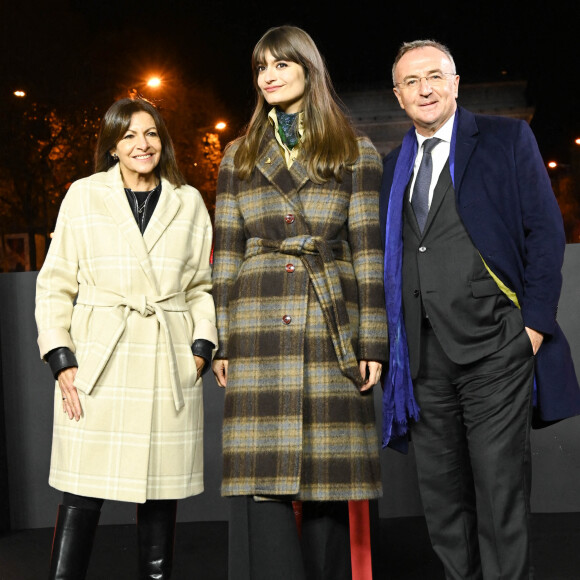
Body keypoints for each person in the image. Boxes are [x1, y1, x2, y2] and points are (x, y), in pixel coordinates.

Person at [379, 39, 580, 579]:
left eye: (434, 76)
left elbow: (544, 231)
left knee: (499, 493)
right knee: (442, 500)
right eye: (411, 82)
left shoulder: (505, 137)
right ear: (398, 96)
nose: (425, 89)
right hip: (420, 358)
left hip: (496, 348)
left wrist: (533, 327)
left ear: (455, 82)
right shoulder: (393, 164)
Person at [211, 25, 387, 580]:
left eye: (282, 65)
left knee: (329, 483)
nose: (269, 76)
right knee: (262, 481)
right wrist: (223, 338)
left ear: (309, 70)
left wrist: (372, 340)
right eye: (262, 67)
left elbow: (367, 252)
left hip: (330, 322)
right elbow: (227, 254)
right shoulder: (239, 155)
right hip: (257, 323)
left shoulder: (354, 150)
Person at [35, 96, 217, 579]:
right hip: (98, 358)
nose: (143, 143)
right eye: (130, 134)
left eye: (152, 133)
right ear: (112, 145)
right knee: (81, 488)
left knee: (160, 492)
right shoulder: (84, 194)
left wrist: (200, 348)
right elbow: (55, 282)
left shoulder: (188, 200)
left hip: (167, 356)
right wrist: (60, 354)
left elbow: (201, 285)